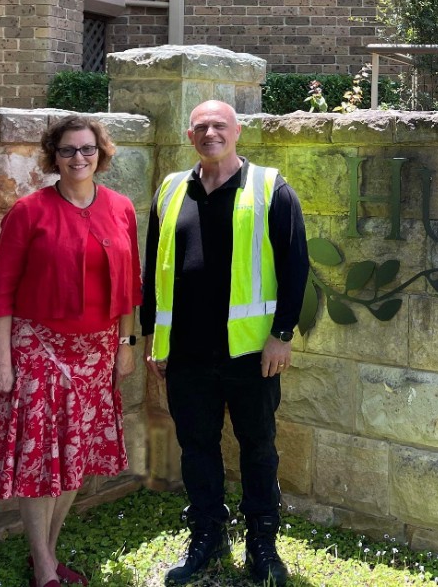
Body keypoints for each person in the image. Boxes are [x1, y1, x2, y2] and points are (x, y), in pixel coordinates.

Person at [142, 100, 308, 587]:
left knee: (259, 448)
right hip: (187, 353)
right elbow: (153, 268)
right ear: (189, 135)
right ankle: (207, 536)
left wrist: (282, 335)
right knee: (196, 448)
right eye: (200, 127)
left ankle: (263, 544)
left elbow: (295, 267)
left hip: (251, 354)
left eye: (219, 125)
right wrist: (154, 335)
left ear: (237, 131)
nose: (210, 132)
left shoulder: (270, 188)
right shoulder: (172, 189)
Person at [0, 115, 141, 587]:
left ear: (101, 154)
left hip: (97, 349)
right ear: (54, 157)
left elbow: (131, 285)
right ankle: (44, 565)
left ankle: (45, 555)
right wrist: (1, 361)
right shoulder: (28, 212)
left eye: (87, 149)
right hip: (38, 346)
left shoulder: (121, 208)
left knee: (74, 453)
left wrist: (126, 345)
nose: (79, 158)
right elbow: (1, 291)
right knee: (38, 457)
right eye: (68, 150)